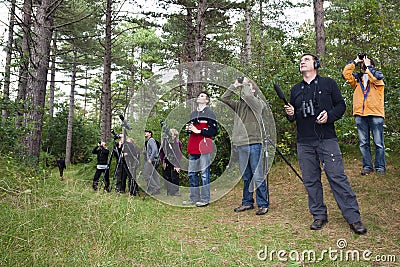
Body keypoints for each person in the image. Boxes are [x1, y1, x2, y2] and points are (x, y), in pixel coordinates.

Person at [284, 53, 367, 235]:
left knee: (337, 177)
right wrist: (291, 114)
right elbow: (293, 117)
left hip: (327, 139)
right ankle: (319, 215)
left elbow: (341, 106)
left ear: (316, 64)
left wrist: (329, 116)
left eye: (306, 59)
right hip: (304, 142)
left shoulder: (328, 83)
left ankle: (353, 218)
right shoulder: (295, 89)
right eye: (301, 60)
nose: (302, 61)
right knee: (311, 180)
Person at [220, 77, 269, 215]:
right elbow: (224, 99)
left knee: (257, 175)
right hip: (241, 144)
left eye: (248, 87)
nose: (245, 89)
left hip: (254, 143)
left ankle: (263, 204)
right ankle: (247, 202)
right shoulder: (240, 106)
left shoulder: (258, 104)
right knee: (246, 176)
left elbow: (247, 95)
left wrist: (246, 82)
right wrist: (234, 85)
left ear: (254, 90)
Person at [342, 53, 386, 175]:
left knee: (378, 143)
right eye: (363, 64)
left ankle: (380, 167)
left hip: (375, 114)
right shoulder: (357, 80)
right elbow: (346, 74)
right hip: (360, 114)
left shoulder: (378, 78)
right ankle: (367, 166)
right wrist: (356, 60)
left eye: (366, 64)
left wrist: (369, 67)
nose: (364, 66)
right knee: (363, 143)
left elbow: (376, 78)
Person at [183, 91, 218, 207]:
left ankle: (205, 199)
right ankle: (194, 198)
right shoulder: (193, 114)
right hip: (193, 146)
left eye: (202, 96)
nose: (199, 97)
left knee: (204, 174)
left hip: (204, 147)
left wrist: (200, 131)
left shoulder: (210, 113)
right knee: (192, 173)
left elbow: (214, 131)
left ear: (207, 100)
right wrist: (189, 129)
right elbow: (189, 129)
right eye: (199, 95)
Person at [160, 128, 182, 196]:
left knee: (174, 176)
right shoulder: (165, 142)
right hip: (167, 160)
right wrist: (163, 161)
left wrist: (177, 165)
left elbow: (179, 154)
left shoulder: (178, 142)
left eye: (171, 134)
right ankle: (169, 191)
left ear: (175, 135)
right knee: (167, 175)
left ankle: (175, 191)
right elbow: (162, 152)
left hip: (175, 161)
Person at [144, 130, 161, 195]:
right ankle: (157, 189)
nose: (145, 133)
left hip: (152, 160)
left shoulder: (151, 140)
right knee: (154, 174)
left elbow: (154, 150)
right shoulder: (149, 141)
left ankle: (155, 187)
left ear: (150, 134)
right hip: (154, 160)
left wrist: (150, 159)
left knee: (146, 174)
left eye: (146, 132)